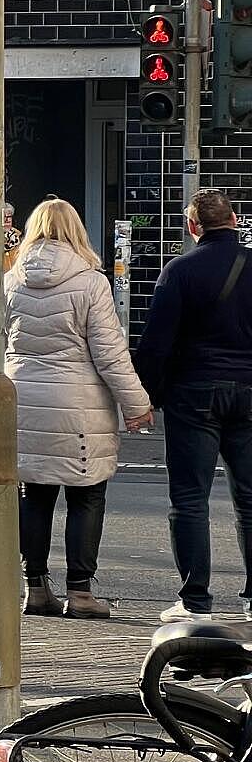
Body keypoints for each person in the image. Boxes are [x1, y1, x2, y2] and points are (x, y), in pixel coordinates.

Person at [5, 198, 152, 619]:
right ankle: (81, 593)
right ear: (77, 230)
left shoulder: (11, 279)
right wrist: (136, 404)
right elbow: (110, 354)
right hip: (79, 405)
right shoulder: (90, 282)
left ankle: (35, 588)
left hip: (25, 401)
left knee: (34, 495)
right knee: (87, 497)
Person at [137, 189, 252, 622]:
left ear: (192, 226)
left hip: (194, 392)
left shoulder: (179, 270)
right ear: (235, 219)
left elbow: (156, 343)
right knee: (250, 499)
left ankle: (196, 602)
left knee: (189, 498)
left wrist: (146, 395)